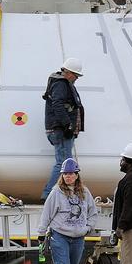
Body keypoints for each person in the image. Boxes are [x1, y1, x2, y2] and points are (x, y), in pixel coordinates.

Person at [39, 157, 98, 264]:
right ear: (62, 175)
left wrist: (88, 227)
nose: (68, 176)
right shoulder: (56, 193)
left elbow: (93, 212)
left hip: (78, 237)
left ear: (77, 175)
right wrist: (41, 232)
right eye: (65, 174)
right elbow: (47, 213)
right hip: (59, 235)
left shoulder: (85, 192)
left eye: (71, 173)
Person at [42, 58, 84, 199]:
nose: (77, 78)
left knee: (65, 162)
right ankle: (49, 194)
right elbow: (58, 105)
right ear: (68, 72)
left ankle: (60, 194)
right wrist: (68, 124)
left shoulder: (61, 83)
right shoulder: (61, 84)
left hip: (61, 129)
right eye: (76, 75)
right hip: (61, 130)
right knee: (63, 163)